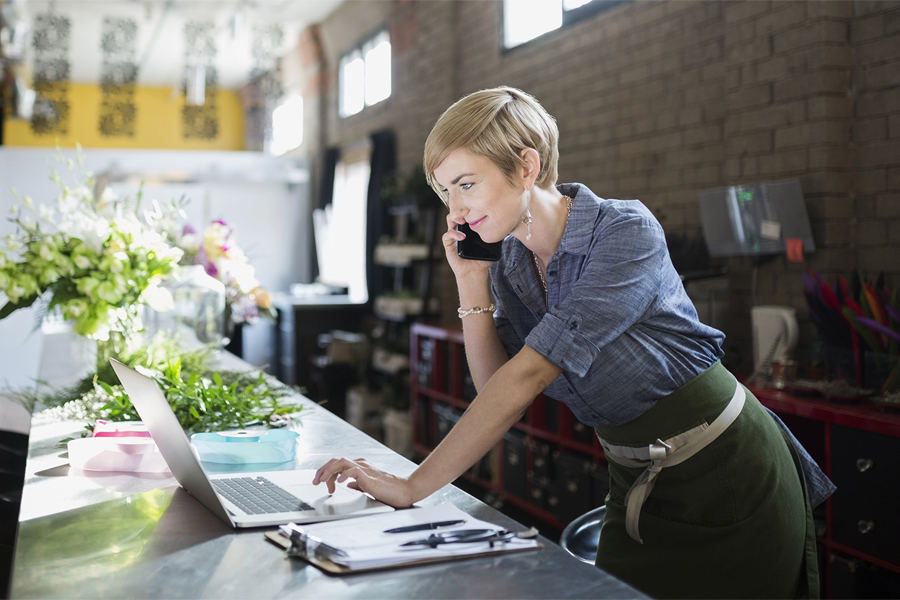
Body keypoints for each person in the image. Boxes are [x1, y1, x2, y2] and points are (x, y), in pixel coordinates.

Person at [314, 86, 833, 599]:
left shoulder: (625, 232)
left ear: (525, 167)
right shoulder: (511, 265)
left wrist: (412, 486)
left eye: (466, 184)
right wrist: (470, 282)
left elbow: (531, 375)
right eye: (446, 192)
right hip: (635, 477)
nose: (455, 210)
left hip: (726, 470)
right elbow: (497, 389)